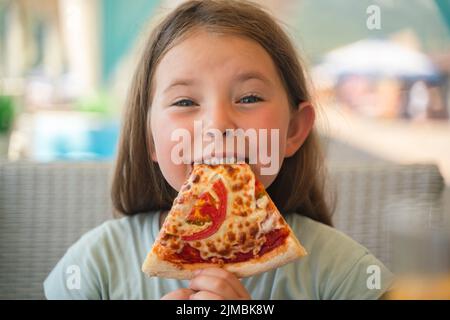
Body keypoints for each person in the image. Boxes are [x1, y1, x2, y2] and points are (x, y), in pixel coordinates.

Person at [44, 0, 394, 299]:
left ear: (294, 129)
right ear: (150, 139)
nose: (217, 124)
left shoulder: (345, 275)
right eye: (184, 101)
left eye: (249, 97)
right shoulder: (93, 266)